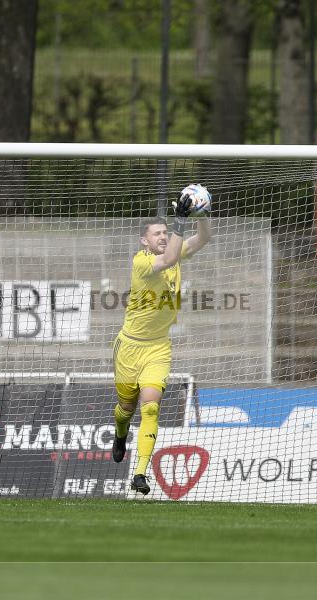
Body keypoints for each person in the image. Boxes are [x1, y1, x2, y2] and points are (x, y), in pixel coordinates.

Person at [111, 187, 212, 494]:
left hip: (158, 347)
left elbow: (204, 239)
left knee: (151, 408)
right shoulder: (141, 262)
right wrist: (181, 219)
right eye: (156, 233)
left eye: (166, 232)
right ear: (145, 241)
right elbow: (169, 258)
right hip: (129, 347)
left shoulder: (173, 253)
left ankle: (139, 473)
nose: (163, 236)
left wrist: (202, 214)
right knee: (125, 407)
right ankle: (120, 433)